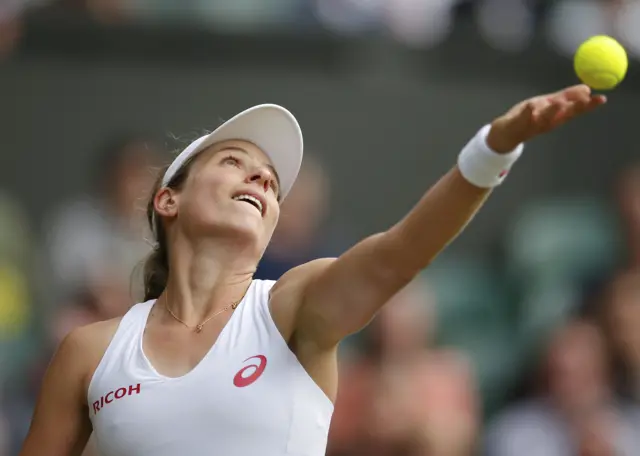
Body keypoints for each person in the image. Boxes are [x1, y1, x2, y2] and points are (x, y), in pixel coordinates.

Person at [20, 86, 605, 456]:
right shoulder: (89, 352)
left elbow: (401, 253)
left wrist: (492, 149)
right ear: (167, 201)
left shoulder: (292, 306)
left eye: (270, 181)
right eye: (234, 162)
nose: (261, 179)